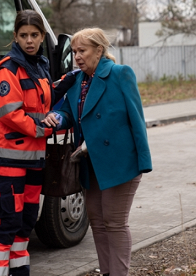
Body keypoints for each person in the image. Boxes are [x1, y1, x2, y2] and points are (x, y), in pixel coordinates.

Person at [43, 28, 153, 276]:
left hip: (120, 163)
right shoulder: (76, 80)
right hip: (90, 165)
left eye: (82, 50)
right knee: (98, 224)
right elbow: (70, 114)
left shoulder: (120, 74)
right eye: (73, 52)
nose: (77, 56)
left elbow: (137, 120)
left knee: (114, 223)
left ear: (99, 50)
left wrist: (143, 161)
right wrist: (57, 118)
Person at [0, 9, 75, 276]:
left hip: (33, 160)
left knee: (25, 223)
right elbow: (9, 113)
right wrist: (40, 128)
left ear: (42, 36)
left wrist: (68, 81)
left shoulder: (40, 66)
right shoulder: (7, 70)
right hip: (7, 160)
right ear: (15, 37)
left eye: (34, 35)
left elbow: (44, 100)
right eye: (24, 35)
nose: (29, 40)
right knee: (5, 224)